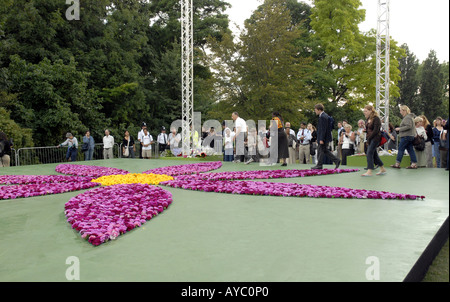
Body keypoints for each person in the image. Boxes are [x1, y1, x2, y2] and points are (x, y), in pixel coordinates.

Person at [311, 103, 340, 170]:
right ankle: (336, 160)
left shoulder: (323, 117)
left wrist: (321, 139)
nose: (315, 111)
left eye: (315, 110)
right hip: (325, 137)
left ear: (319, 110)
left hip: (323, 138)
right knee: (325, 150)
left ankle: (319, 165)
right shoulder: (324, 116)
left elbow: (323, 129)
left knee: (320, 151)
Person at [361, 105, 387, 176]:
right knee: (374, 154)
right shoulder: (367, 119)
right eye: (364, 111)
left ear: (370, 111)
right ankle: (382, 168)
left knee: (369, 153)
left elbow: (376, 130)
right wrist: (365, 131)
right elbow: (369, 129)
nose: (364, 112)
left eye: (366, 111)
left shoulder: (376, 119)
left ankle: (369, 171)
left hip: (375, 138)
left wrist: (369, 138)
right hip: (370, 138)